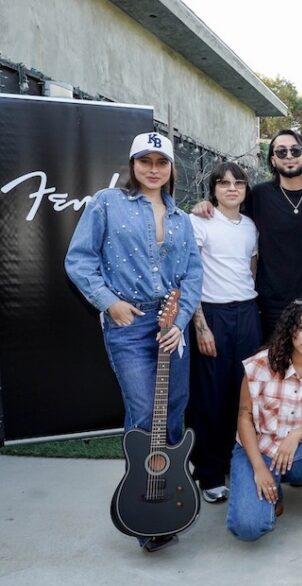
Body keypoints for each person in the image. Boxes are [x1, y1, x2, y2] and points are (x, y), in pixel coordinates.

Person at [65, 131, 202, 553]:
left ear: (171, 168)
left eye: (161, 162)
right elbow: (79, 258)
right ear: (133, 164)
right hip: (129, 322)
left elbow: (193, 275)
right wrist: (109, 304)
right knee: (145, 414)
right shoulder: (107, 203)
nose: (153, 169)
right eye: (145, 161)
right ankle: (143, 510)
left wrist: (179, 321)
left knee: (173, 417)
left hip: (170, 325)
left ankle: (170, 501)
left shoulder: (182, 218)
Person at [226, 298, 302, 543]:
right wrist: (260, 469)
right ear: (289, 329)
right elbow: (244, 418)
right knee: (248, 528)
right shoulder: (260, 363)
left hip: (296, 453)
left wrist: (297, 434)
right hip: (259, 452)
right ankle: (273, 493)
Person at [192, 129, 302, 338]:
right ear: (273, 160)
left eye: (295, 150)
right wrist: (207, 204)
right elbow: (230, 213)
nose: (289, 156)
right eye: (281, 152)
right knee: (270, 368)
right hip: (269, 305)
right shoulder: (259, 195)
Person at [186, 161, 262, 505]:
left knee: (242, 393)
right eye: (224, 183)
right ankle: (209, 472)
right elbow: (190, 274)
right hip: (212, 313)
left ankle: (235, 462)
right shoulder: (200, 221)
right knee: (210, 397)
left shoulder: (249, 226)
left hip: (247, 312)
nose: (232, 188)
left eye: (238, 183)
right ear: (213, 189)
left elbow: (250, 267)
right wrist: (201, 325)